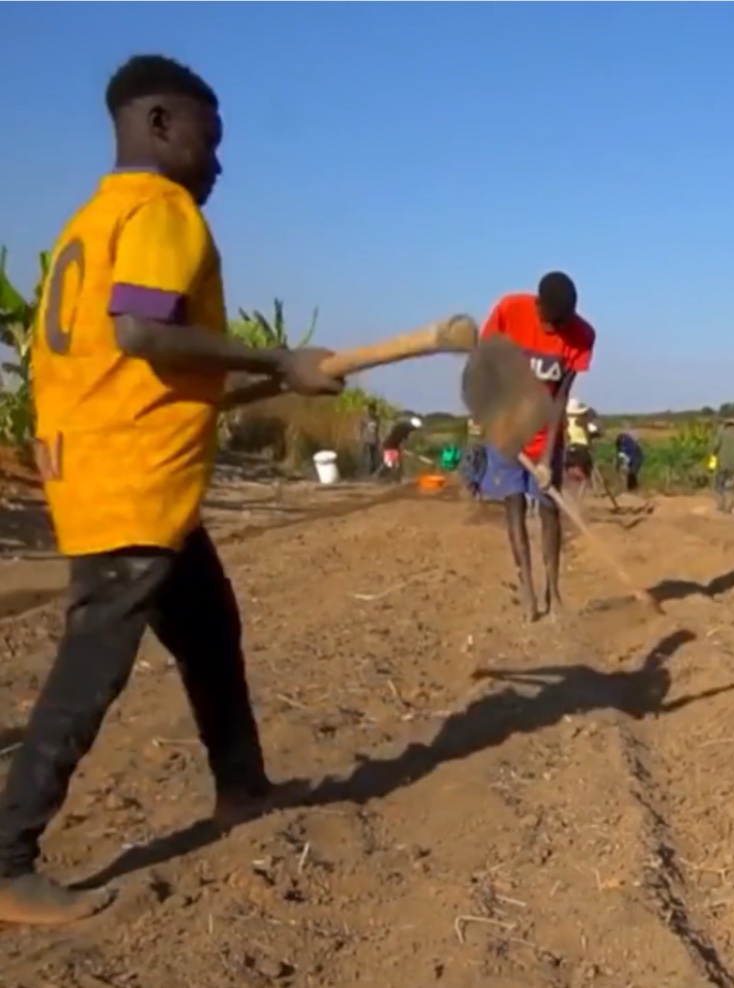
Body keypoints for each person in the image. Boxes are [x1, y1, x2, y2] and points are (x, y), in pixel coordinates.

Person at [0, 55, 345, 925]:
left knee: (209, 626)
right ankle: (6, 857)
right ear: (160, 125)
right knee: (90, 671)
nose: (219, 161)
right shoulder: (163, 211)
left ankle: (242, 787)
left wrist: (227, 384)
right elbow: (143, 331)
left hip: (119, 469)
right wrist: (277, 359)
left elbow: (103, 358)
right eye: (210, 137)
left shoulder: (90, 221)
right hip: (133, 486)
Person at [475, 271, 595, 622]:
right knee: (513, 507)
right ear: (537, 305)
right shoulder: (509, 311)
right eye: (550, 322)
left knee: (549, 511)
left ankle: (553, 590)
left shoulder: (582, 335)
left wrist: (546, 455)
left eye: (563, 323)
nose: (557, 330)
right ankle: (526, 587)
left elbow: (560, 398)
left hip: (546, 435)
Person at [711, 418, 734, 514]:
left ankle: (720, 506)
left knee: (718, 486)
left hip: (721, 464)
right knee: (730, 487)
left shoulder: (721, 432)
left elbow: (714, 449)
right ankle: (728, 508)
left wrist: (710, 465)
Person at [563, 398, 594, 499]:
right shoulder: (583, 421)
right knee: (585, 477)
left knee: (568, 475)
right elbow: (594, 431)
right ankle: (578, 499)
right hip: (582, 449)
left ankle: (569, 498)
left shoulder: (565, 421)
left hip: (569, 449)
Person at [360, 401, 381, 478]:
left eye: (373, 410)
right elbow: (361, 428)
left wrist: (378, 439)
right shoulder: (365, 418)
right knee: (367, 457)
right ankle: (365, 472)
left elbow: (377, 430)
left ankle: (373, 472)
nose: (371, 412)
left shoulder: (377, 419)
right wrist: (361, 437)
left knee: (374, 457)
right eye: (370, 410)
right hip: (367, 440)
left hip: (374, 440)